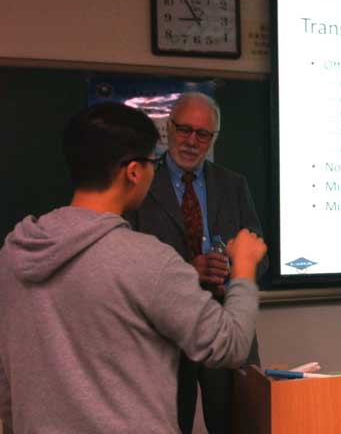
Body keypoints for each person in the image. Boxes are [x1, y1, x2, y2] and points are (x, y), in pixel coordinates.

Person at [0, 102, 266, 434]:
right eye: (153, 162)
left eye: (202, 134)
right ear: (135, 172)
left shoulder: (13, 253)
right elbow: (231, 344)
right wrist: (244, 268)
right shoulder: (147, 260)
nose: (191, 141)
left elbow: (7, 379)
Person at [125, 92, 265, 434]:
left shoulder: (233, 185)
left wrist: (234, 272)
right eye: (184, 129)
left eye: (202, 134)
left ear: (213, 138)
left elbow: (259, 255)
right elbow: (127, 262)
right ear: (168, 129)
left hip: (225, 324)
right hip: (165, 333)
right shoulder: (141, 183)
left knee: (238, 424)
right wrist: (189, 270)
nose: (191, 141)